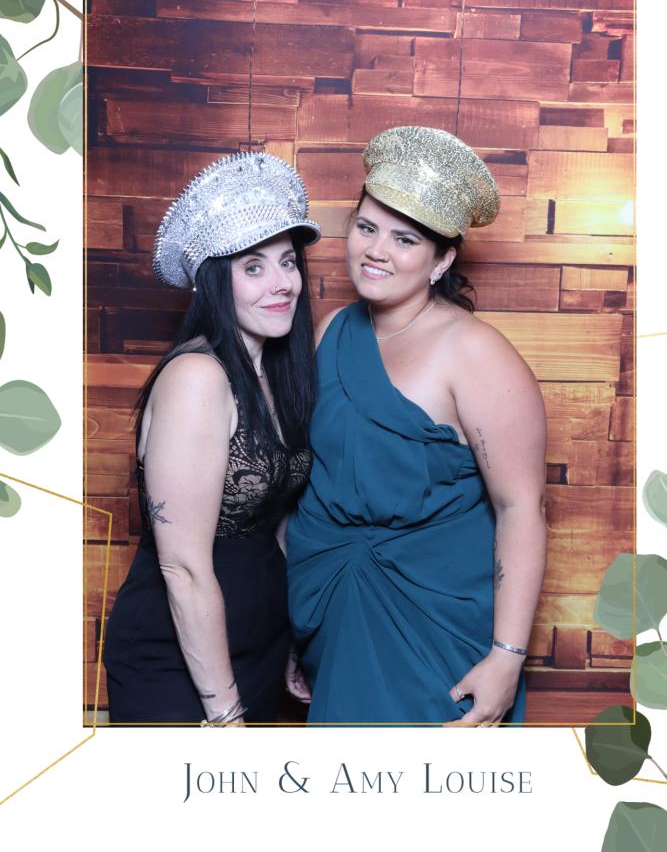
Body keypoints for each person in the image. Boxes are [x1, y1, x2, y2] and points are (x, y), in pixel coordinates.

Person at [287, 126, 547, 726]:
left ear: (442, 260)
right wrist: (297, 630)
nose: (376, 251)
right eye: (366, 228)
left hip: (436, 633)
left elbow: (521, 508)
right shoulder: (332, 333)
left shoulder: (475, 353)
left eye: (404, 239)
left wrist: (507, 659)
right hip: (330, 612)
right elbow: (314, 487)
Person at [103, 151, 320, 725]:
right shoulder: (197, 377)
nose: (282, 284)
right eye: (254, 267)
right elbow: (183, 567)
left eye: (288, 262)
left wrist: (294, 639)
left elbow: (275, 524)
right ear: (214, 283)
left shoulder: (277, 374)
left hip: (257, 647)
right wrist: (225, 715)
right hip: (180, 667)